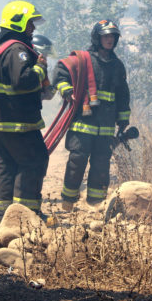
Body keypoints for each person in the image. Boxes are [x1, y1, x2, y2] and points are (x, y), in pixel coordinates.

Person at [0, 0, 49, 222]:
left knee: (7, 164)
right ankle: (26, 217)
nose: (33, 28)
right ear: (19, 23)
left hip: (0, 120)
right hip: (16, 122)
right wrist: (40, 68)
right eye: (30, 23)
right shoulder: (17, 49)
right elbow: (23, 80)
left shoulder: (1, 45)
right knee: (34, 160)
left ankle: (2, 216)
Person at [55, 19, 131, 210]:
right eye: (106, 36)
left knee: (101, 164)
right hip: (83, 122)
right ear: (97, 38)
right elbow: (60, 70)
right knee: (77, 160)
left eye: (113, 36)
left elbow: (123, 95)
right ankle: (68, 200)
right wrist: (66, 90)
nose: (109, 40)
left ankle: (95, 203)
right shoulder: (83, 59)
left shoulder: (117, 66)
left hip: (105, 126)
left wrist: (123, 120)